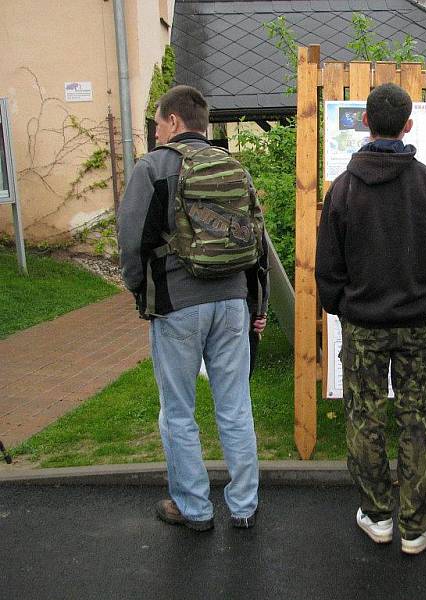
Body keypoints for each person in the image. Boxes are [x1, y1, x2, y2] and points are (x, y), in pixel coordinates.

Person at [118, 85, 268, 531]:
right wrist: (254, 302)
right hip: (233, 302)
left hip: (177, 304)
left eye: (159, 124)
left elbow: (131, 241)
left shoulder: (153, 167)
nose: (158, 132)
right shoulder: (234, 167)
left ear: (175, 122)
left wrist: (138, 290)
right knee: (235, 405)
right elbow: (257, 242)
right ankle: (243, 506)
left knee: (178, 410)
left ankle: (195, 508)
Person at [315, 83, 426, 555]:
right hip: (419, 322)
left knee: (364, 416)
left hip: (364, 324)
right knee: (416, 419)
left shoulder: (344, 188)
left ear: (365, 123)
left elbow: (328, 264)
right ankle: (417, 524)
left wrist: (342, 305)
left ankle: (377, 515)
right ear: (409, 125)